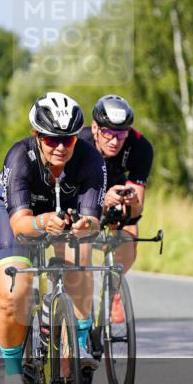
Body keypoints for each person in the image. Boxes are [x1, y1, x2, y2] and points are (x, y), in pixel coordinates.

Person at [0, 92, 106, 384]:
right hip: (16, 216)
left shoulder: (90, 159)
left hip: (60, 215)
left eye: (67, 139)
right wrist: (43, 223)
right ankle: (13, 373)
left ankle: (77, 345)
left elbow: (93, 219)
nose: (61, 147)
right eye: (52, 139)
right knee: (15, 294)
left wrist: (84, 228)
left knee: (80, 257)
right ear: (36, 136)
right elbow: (21, 225)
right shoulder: (20, 157)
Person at [78, 94, 154, 322]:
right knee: (80, 247)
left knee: (130, 236)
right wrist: (101, 203)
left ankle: (114, 289)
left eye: (121, 135)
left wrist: (130, 203)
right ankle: (79, 307)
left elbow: (136, 212)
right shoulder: (79, 144)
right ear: (94, 128)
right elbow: (70, 197)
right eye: (108, 134)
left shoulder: (140, 147)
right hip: (84, 192)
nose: (114, 141)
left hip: (117, 188)